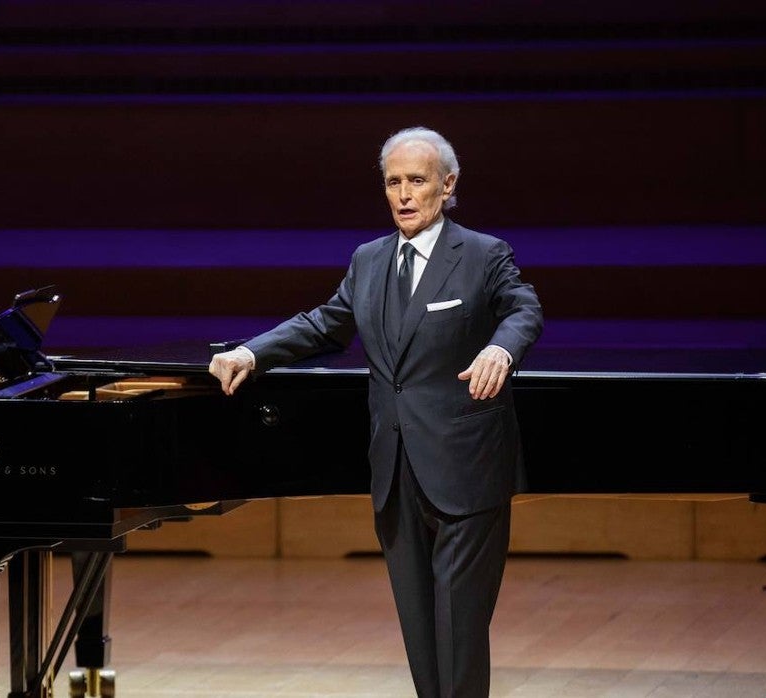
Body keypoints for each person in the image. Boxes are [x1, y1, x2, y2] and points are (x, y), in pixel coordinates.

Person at [209, 127, 542, 698]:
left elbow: (523, 307)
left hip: (464, 467)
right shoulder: (368, 260)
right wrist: (251, 350)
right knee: (418, 628)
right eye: (394, 182)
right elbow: (324, 323)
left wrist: (500, 347)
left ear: (448, 184)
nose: (405, 194)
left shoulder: (483, 253)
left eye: (418, 181)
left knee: (459, 627)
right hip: (394, 469)